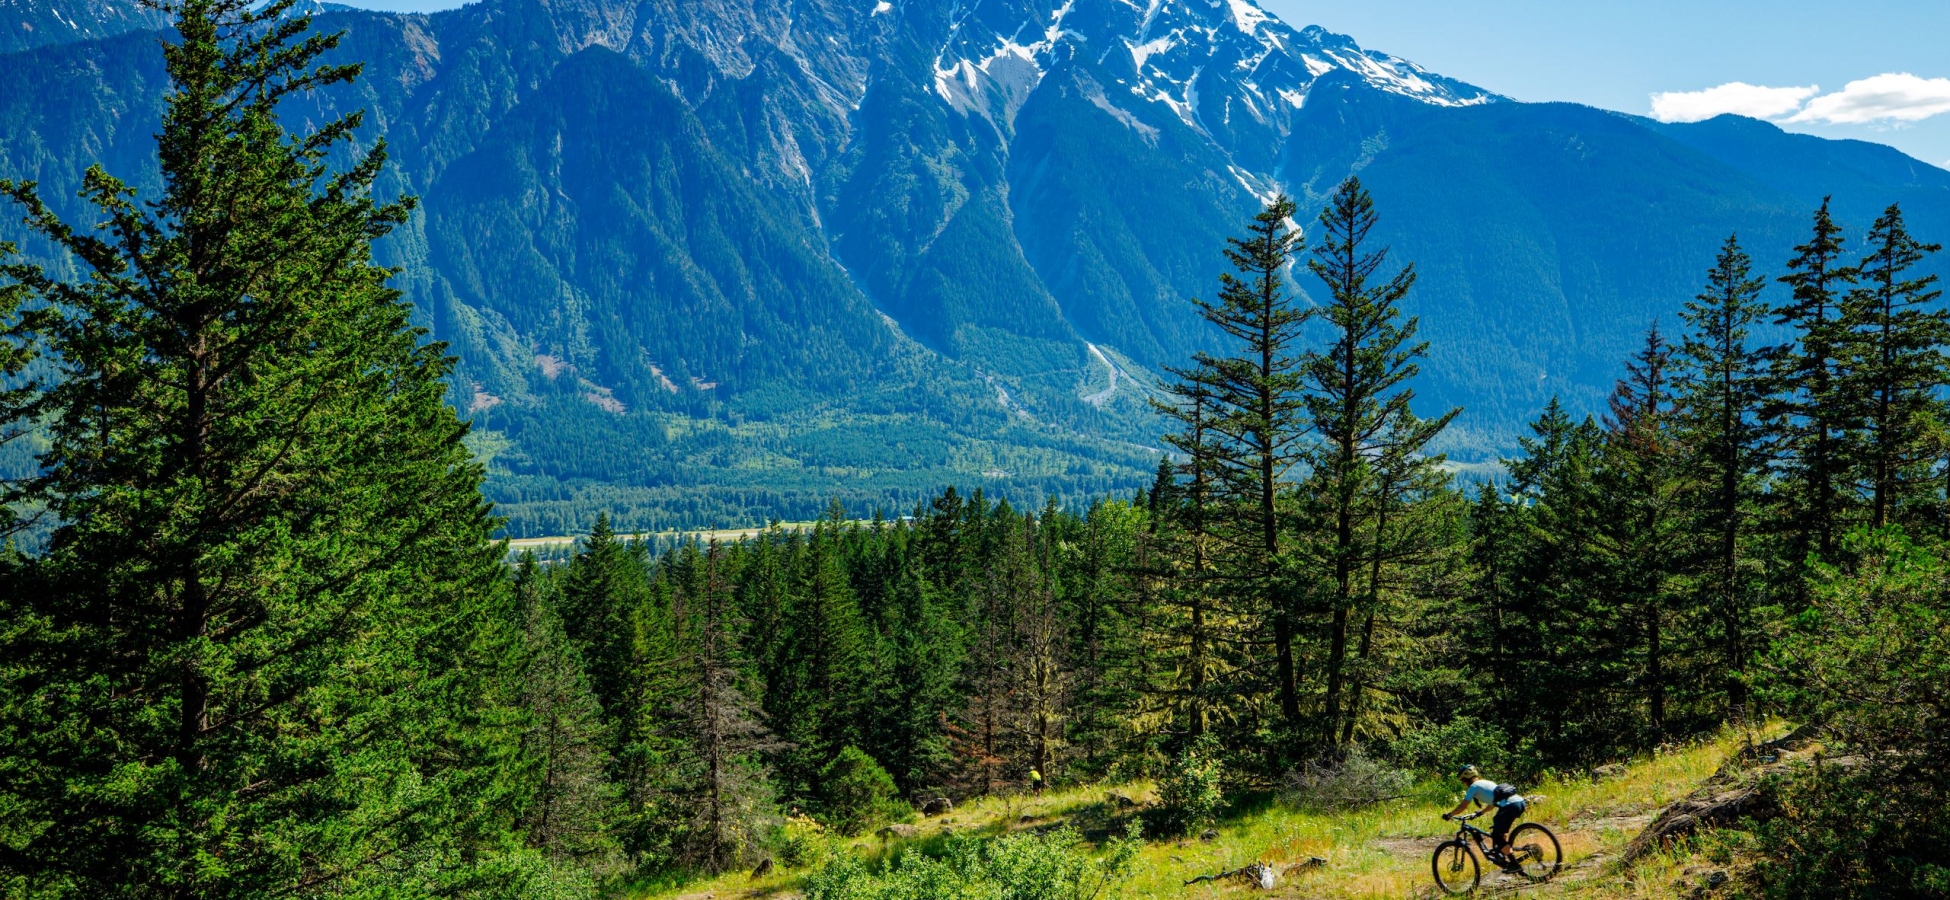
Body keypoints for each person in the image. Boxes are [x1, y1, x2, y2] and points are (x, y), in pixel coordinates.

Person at [1442, 764, 1527, 868]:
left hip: (1509, 806)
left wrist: (1450, 815)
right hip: (1519, 802)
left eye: (1462, 781)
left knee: (1497, 835)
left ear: (1466, 779)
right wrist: (1481, 813)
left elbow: (1463, 806)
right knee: (1499, 828)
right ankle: (1504, 853)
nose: (1463, 783)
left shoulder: (1473, 787)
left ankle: (1514, 864)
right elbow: (1493, 802)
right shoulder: (1487, 782)